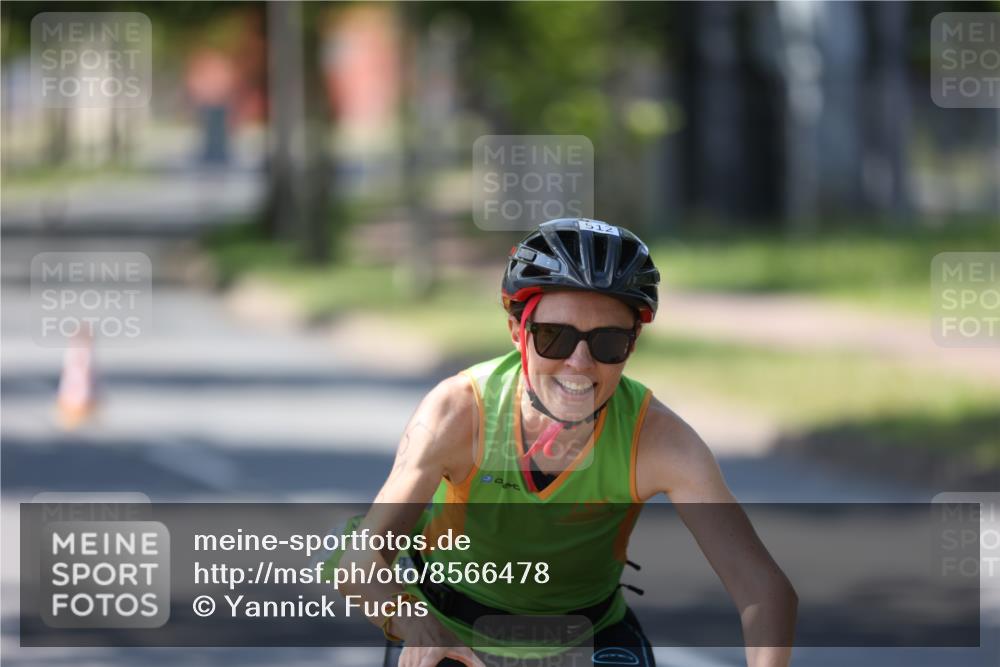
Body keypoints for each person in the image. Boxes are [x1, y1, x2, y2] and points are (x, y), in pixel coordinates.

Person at [337, 218, 798, 667]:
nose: (579, 363)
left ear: (632, 346)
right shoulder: (458, 413)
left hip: (590, 635)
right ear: (519, 332)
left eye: (607, 343)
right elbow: (359, 561)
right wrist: (419, 626)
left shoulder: (660, 441)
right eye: (554, 337)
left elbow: (764, 590)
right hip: (452, 630)